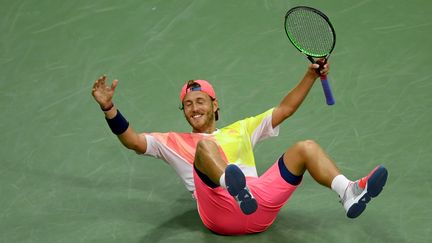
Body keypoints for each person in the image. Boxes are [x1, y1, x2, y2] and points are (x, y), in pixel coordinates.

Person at [91, 61, 388, 235]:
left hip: (258, 207)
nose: (194, 108)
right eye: (187, 105)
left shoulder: (242, 129)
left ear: (214, 105)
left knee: (305, 148)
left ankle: (348, 192)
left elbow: (285, 108)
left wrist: (311, 74)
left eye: (200, 101)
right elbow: (132, 140)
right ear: (183, 112)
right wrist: (109, 109)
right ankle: (231, 185)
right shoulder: (171, 142)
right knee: (205, 148)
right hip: (219, 212)